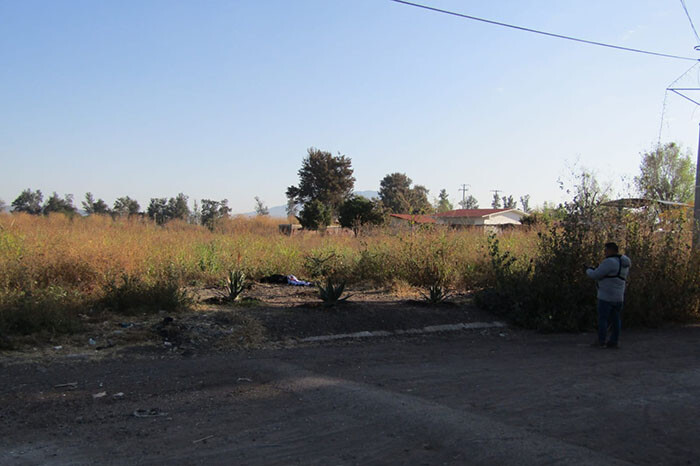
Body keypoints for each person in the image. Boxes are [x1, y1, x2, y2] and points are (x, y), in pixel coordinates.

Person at [585, 242, 631, 349]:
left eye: (606, 250)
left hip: (606, 296)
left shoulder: (609, 262)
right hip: (619, 296)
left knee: (603, 319)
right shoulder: (624, 262)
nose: (604, 252)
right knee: (616, 320)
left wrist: (588, 270)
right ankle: (614, 341)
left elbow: (596, 275)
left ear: (611, 250)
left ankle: (601, 341)